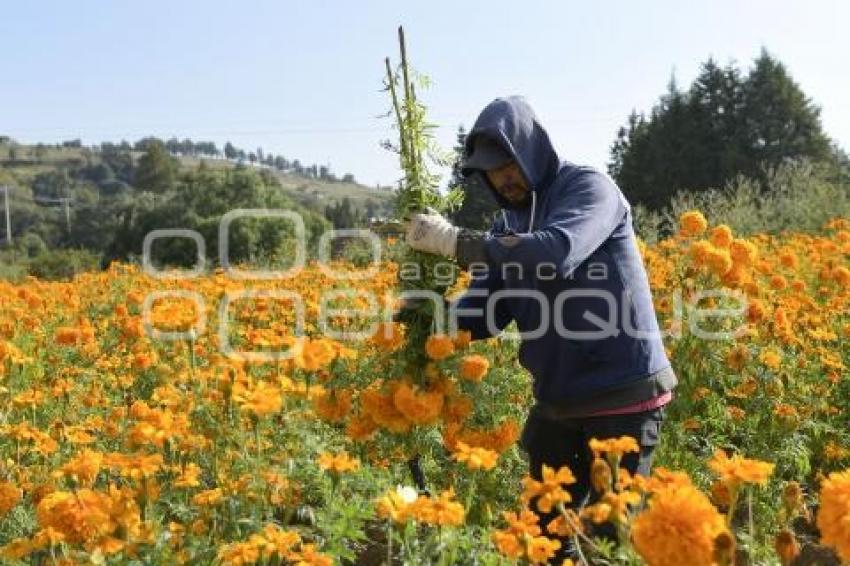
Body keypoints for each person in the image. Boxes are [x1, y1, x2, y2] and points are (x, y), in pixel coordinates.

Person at [404, 96, 677, 550]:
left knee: (613, 540)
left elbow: (556, 252)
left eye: (509, 162)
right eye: (492, 170)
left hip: (623, 396)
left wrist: (457, 243)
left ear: (533, 150)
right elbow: (486, 312)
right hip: (560, 401)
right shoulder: (504, 227)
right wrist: (425, 323)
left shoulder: (589, 190)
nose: (503, 176)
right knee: (543, 538)